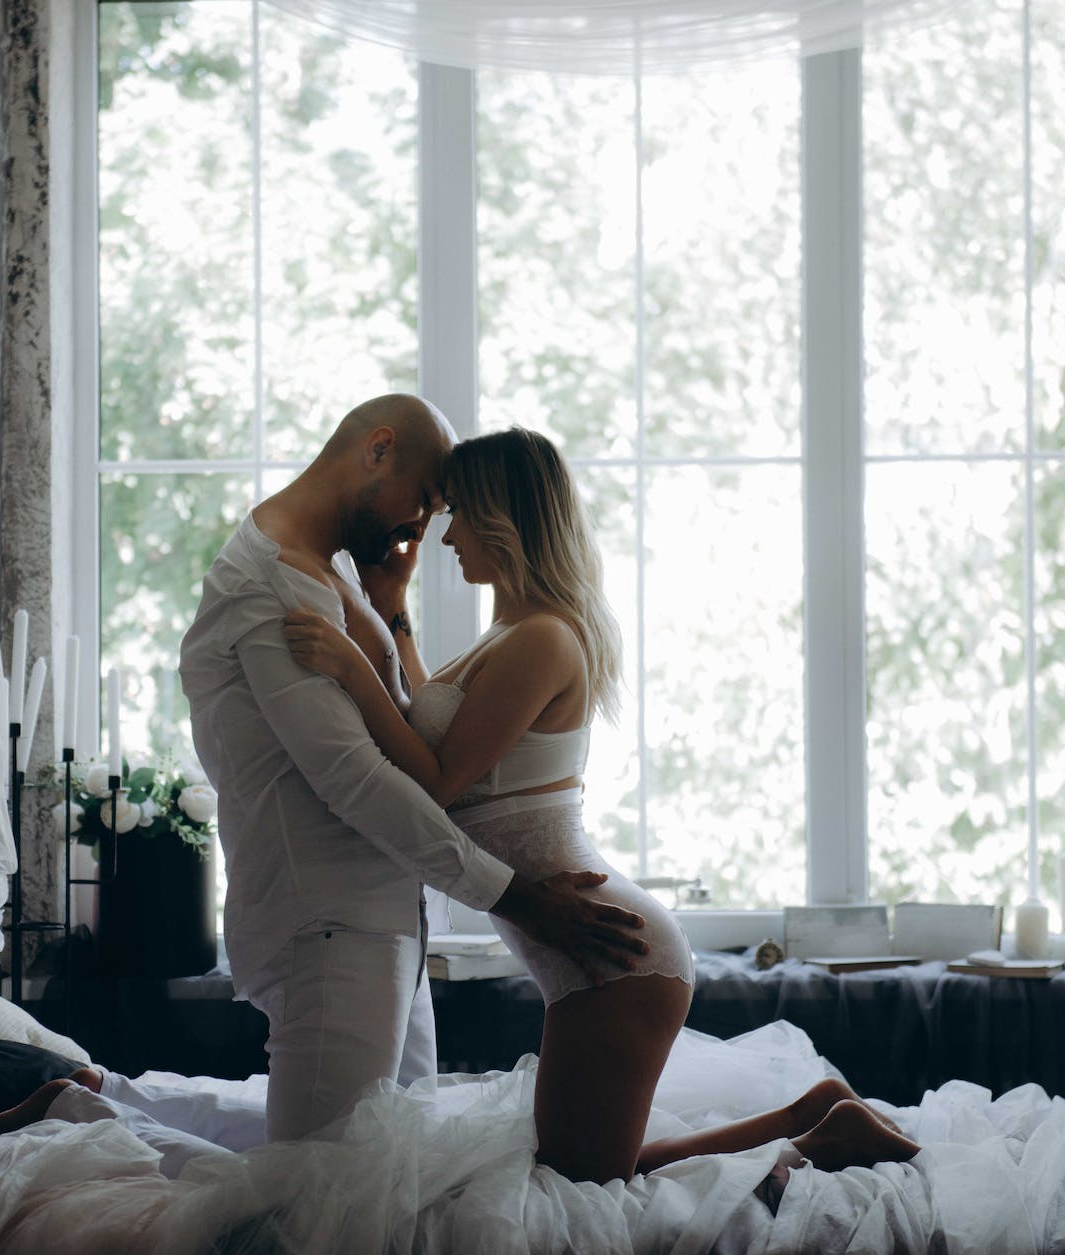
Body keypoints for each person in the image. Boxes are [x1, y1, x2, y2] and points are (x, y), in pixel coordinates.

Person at [282, 425, 921, 1188]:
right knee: (580, 1176)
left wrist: (353, 670)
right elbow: (434, 721)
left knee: (581, 1189)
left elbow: (438, 780)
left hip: (616, 959)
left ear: (503, 518)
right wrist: (392, 611)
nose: (445, 535)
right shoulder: (514, 630)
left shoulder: (543, 639)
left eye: (459, 513)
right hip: (592, 954)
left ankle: (811, 1129)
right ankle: (808, 1118)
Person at [177, 394, 650, 1145]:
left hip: (385, 921)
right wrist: (520, 899)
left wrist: (384, 615)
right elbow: (360, 780)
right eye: (427, 501)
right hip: (329, 927)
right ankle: (86, 1104)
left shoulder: (332, 576)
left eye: (448, 511)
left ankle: (90, 1100)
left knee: (395, 1184)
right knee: (321, 1202)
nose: (428, 530)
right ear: (378, 449)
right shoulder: (270, 588)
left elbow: (411, 731)